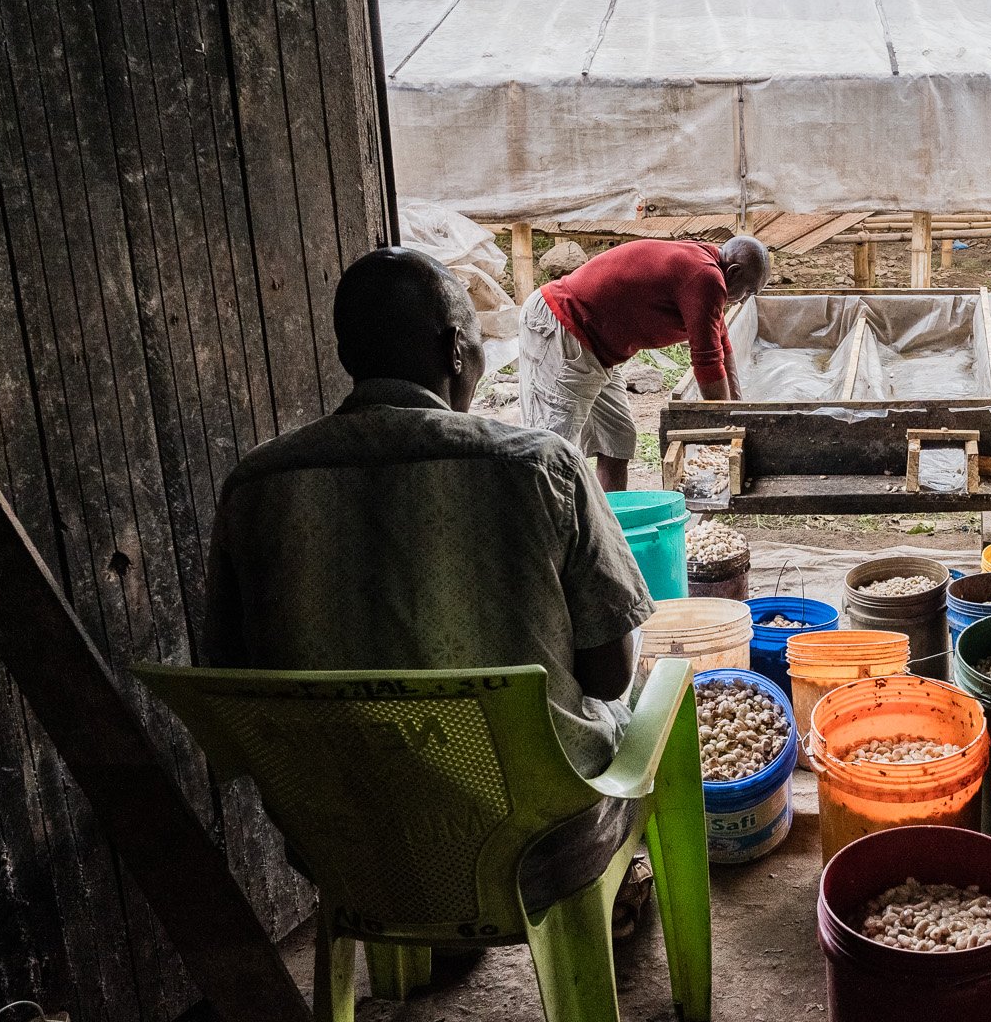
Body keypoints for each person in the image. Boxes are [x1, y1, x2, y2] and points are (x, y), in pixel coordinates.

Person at [205, 246, 654, 780]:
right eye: (478, 345)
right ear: (455, 351)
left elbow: (230, 673)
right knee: (649, 678)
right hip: (542, 831)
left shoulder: (254, 484)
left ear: (349, 357)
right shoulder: (541, 467)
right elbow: (608, 676)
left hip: (336, 829)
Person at [516, 234, 770, 491]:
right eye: (749, 291)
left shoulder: (709, 269)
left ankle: (612, 525)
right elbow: (707, 364)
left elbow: (722, 345)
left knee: (617, 440)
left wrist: (738, 411)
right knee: (552, 452)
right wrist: (724, 427)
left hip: (597, 348)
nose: (745, 299)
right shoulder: (707, 277)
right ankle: (538, 528)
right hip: (562, 325)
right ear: (734, 272)